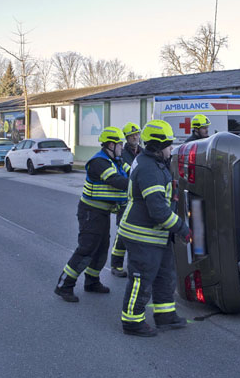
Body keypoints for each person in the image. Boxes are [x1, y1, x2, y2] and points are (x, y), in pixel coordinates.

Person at [118, 120, 190, 337]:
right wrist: (181, 228)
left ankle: (165, 315)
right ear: (158, 147)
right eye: (169, 145)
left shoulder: (152, 162)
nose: (171, 150)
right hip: (143, 235)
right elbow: (157, 210)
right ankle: (132, 321)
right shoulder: (150, 169)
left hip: (156, 234)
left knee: (164, 275)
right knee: (141, 278)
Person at [55, 126, 129, 303]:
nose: (122, 147)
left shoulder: (116, 160)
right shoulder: (99, 162)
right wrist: (139, 183)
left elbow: (131, 172)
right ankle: (64, 285)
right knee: (87, 248)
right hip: (91, 212)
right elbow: (116, 181)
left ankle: (92, 281)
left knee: (101, 248)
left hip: (102, 213)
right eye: (120, 144)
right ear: (111, 145)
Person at [110, 123, 143, 277]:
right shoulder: (122, 155)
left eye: (136, 134)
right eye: (131, 135)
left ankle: (135, 266)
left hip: (139, 198)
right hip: (125, 198)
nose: (135, 137)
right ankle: (116, 265)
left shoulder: (142, 152)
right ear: (127, 138)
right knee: (122, 234)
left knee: (137, 233)